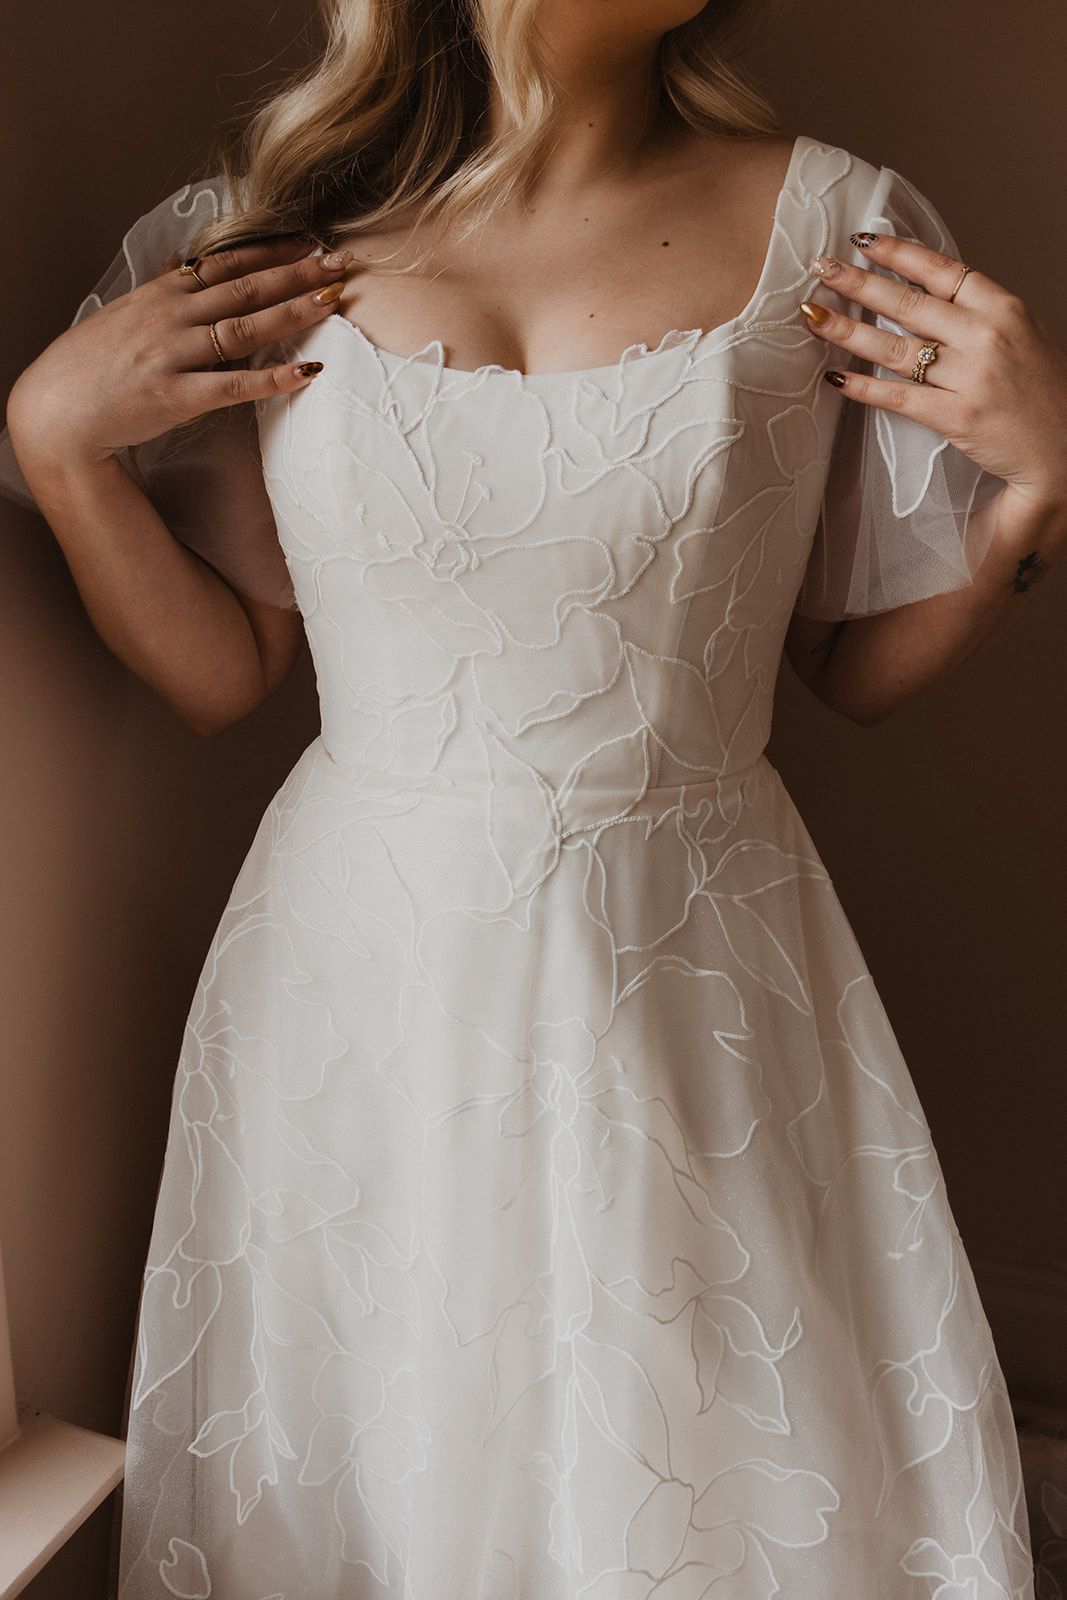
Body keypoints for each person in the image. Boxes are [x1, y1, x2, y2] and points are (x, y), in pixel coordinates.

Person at [1, 1, 1063, 1595]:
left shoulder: (838, 223)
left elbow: (846, 665)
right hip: (360, 971)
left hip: (697, 940)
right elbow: (225, 673)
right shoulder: (259, 233)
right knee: (387, 1441)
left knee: (708, 1456)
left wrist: (1041, 485)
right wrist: (56, 447)